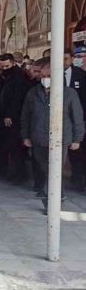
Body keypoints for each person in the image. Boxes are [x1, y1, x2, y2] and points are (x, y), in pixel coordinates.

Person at [22, 58, 84, 209]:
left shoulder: (69, 94)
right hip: (39, 138)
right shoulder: (33, 92)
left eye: (49, 76)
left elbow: (77, 117)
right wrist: (26, 136)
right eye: (43, 76)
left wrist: (77, 139)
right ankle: (57, 194)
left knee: (54, 168)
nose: (45, 79)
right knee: (45, 167)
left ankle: (51, 200)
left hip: (60, 138)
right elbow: (26, 116)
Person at [0, 53, 30, 183]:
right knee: (10, 146)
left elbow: (17, 97)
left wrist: (9, 115)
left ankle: (20, 175)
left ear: (13, 63)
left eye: (7, 66)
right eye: (2, 66)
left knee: (16, 147)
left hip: (15, 117)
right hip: (8, 115)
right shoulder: (7, 75)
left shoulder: (18, 76)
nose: (4, 68)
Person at [64, 47, 86, 189]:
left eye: (66, 58)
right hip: (59, 118)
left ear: (71, 59)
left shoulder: (81, 75)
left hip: (77, 118)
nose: (63, 61)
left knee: (77, 150)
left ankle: (77, 178)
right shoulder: (50, 74)